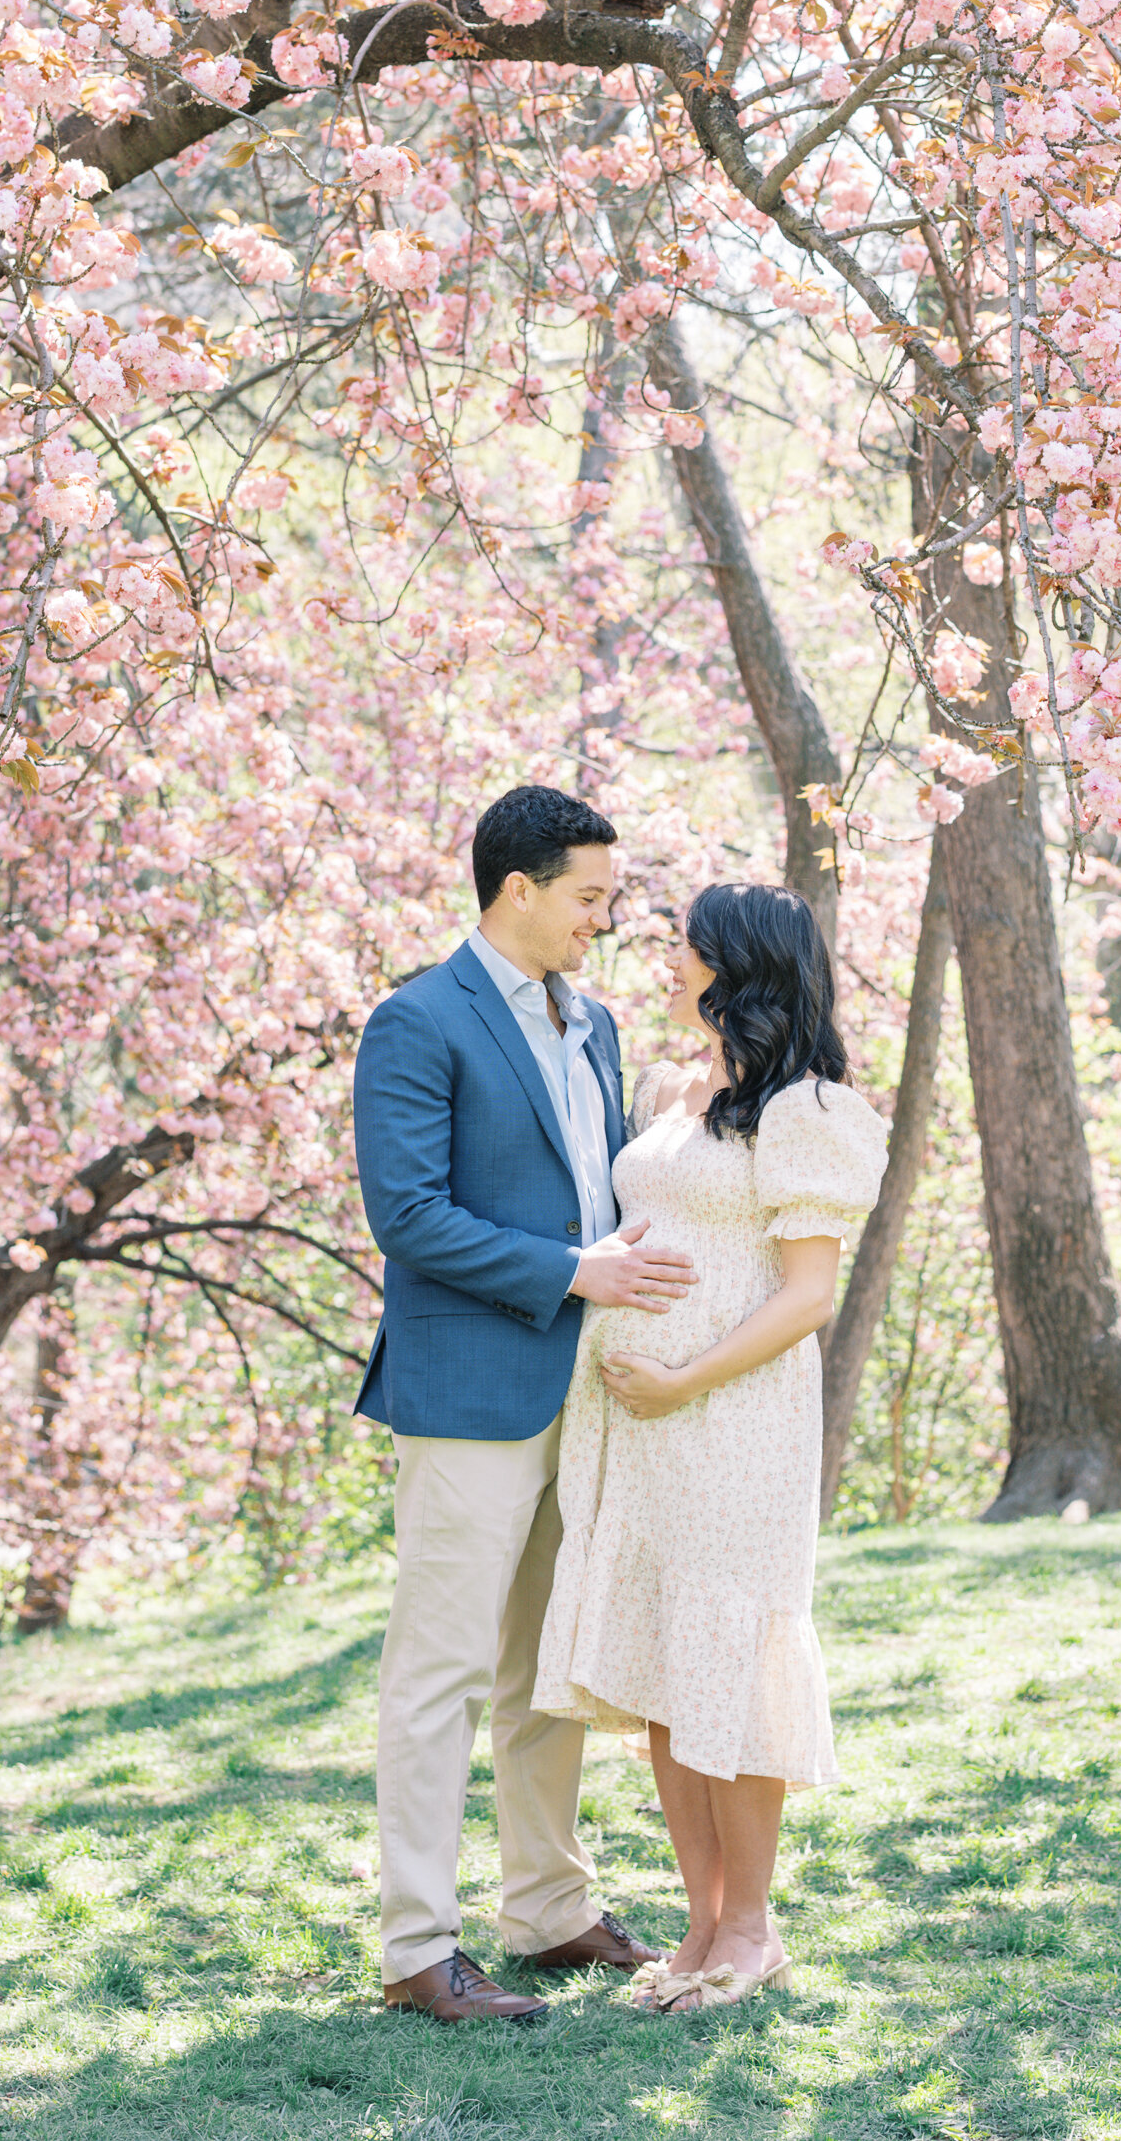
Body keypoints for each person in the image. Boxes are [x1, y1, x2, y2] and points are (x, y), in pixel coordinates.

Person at [352, 783, 694, 2025]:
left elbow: (585, 1194)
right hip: (468, 1395)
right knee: (438, 1673)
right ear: (519, 891)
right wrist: (572, 1269)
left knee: (551, 1668)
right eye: (590, 897)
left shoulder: (591, 1023)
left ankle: (548, 1910)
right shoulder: (415, 1022)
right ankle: (415, 1951)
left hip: (585, 1388)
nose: (603, 920)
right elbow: (410, 1217)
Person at [535, 881, 888, 2011]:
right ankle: (697, 1928)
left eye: (685, 950)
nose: (667, 962)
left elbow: (808, 1298)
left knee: (729, 1667)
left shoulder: (809, 1109)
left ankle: (752, 1926)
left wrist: (683, 1375)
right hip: (634, 1430)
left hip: (732, 1423)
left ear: (738, 966)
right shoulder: (677, 1089)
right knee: (665, 1675)